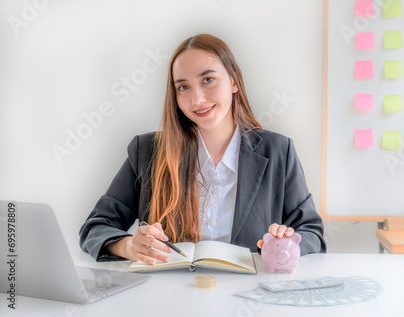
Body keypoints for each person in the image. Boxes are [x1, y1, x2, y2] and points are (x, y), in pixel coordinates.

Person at [79, 34, 326, 265]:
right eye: (183, 87)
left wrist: (287, 243)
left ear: (234, 82)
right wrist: (128, 246)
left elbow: (311, 233)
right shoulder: (146, 151)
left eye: (208, 80)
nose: (197, 99)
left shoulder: (278, 151)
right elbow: (96, 227)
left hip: (249, 297)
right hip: (167, 297)